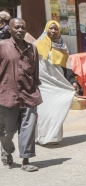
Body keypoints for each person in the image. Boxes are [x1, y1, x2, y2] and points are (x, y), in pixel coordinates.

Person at [0, 18, 42, 172]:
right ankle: (6, 149)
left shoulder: (32, 49)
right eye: (16, 27)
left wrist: (36, 88)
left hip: (29, 94)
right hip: (7, 95)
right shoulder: (2, 46)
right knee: (7, 131)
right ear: (9, 30)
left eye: (23, 27)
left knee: (28, 128)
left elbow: (35, 72)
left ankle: (26, 159)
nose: (20, 30)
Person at [35, 20, 77, 144]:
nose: (53, 31)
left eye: (56, 29)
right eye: (50, 28)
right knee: (43, 111)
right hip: (42, 82)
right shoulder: (37, 44)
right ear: (46, 29)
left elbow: (67, 66)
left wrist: (72, 81)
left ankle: (53, 137)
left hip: (57, 81)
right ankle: (41, 137)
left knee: (56, 110)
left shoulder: (63, 47)